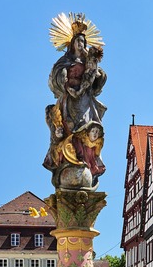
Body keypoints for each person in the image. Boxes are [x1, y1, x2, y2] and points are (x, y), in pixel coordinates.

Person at [44, 19, 107, 187]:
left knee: (88, 129)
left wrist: (96, 73)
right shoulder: (65, 60)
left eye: (83, 41)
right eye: (78, 41)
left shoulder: (88, 60)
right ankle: (69, 159)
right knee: (68, 129)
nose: (81, 44)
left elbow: (99, 78)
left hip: (85, 101)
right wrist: (64, 76)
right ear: (72, 43)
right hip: (70, 99)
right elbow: (56, 75)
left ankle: (88, 160)